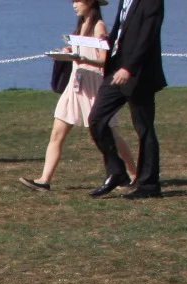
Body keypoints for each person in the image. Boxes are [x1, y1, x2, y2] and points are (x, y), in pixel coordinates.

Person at [20, 0, 136, 192]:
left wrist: (82, 59)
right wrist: (68, 52)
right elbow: (80, 52)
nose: (74, 5)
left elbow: (103, 60)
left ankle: (133, 174)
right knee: (57, 133)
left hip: (92, 86)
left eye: (78, 1)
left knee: (110, 134)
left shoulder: (99, 27)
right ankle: (44, 180)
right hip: (75, 86)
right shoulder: (80, 26)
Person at [87, 0, 163, 199]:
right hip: (116, 69)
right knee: (96, 120)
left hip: (138, 75)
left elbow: (147, 36)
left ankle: (149, 185)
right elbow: (122, 31)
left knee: (144, 128)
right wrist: (104, 42)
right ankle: (116, 172)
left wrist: (130, 68)